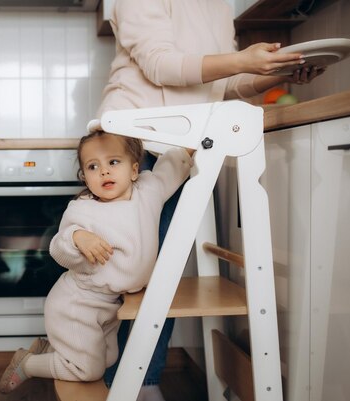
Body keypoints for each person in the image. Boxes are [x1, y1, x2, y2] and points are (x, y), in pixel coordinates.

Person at [95, 1, 325, 400]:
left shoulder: (218, 3)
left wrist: (271, 73)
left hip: (186, 142)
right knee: (131, 270)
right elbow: (161, 65)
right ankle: (120, 377)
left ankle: (137, 381)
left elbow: (222, 85)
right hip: (134, 139)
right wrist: (242, 60)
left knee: (157, 270)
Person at [0, 131, 194, 394]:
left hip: (109, 305)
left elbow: (172, 167)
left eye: (113, 162)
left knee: (109, 358)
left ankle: (49, 350)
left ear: (134, 170)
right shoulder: (83, 209)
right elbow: (58, 248)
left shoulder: (148, 191)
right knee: (89, 369)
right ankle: (29, 364)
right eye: (93, 166)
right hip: (77, 304)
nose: (104, 172)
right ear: (84, 177)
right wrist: (78, 237)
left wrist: (192, 147)